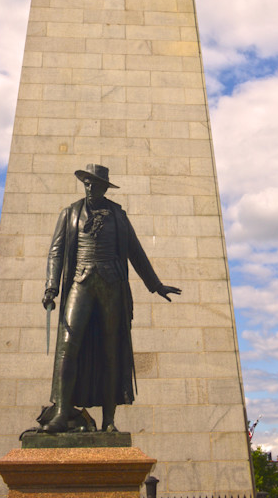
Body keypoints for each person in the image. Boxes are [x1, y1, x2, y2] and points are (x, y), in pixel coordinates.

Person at [41, 163, 181, 433]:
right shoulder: (69, 213)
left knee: (110, 352)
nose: (90, 187)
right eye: (87, 183)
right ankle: (60, 412)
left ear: (105, 187)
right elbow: (56, 252)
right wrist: (51, 288)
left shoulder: (118, 215)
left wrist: (156, 285)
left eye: (95, 183)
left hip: (111, 286)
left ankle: (109, 420)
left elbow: (135, 252)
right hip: (80, 283)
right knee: (67, 347)